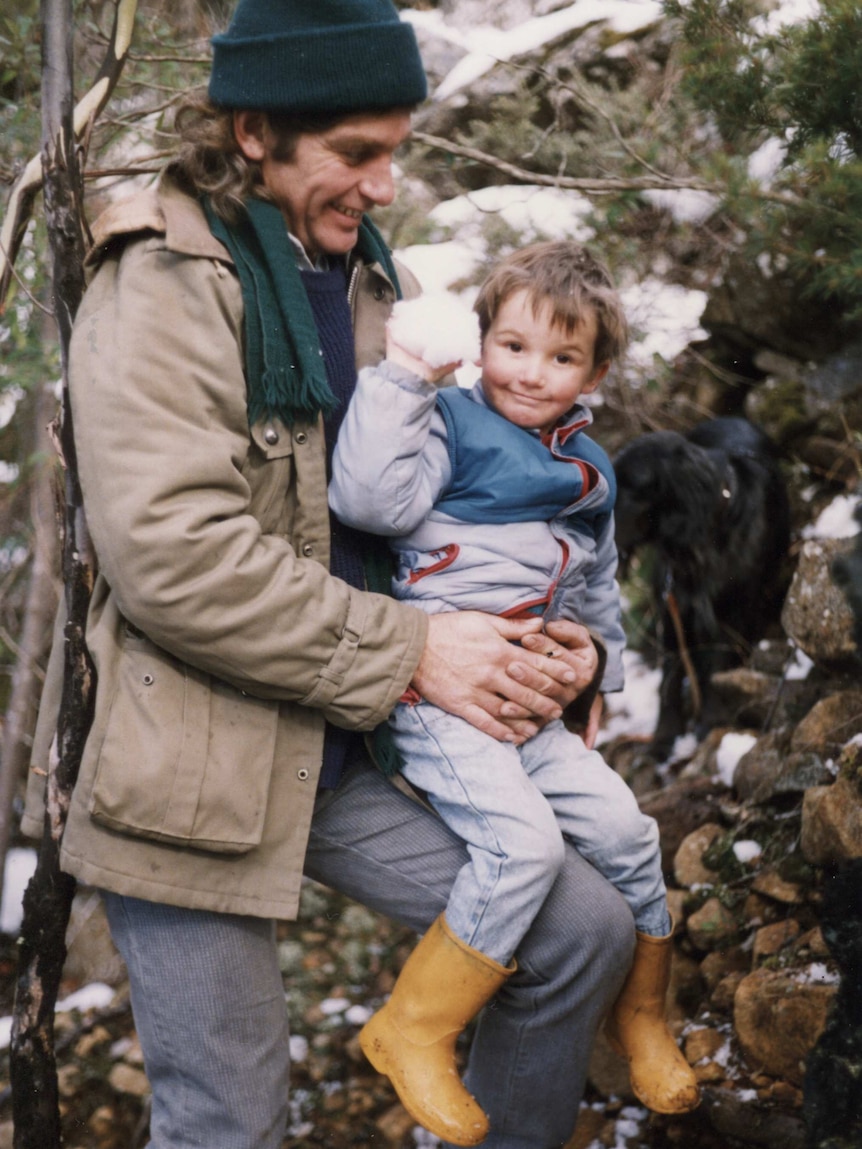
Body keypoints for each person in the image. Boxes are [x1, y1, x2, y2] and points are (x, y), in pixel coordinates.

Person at [21, 3, 637, 1148]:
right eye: (358, 153)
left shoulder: (356, 273)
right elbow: (175, 556)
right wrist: (414, 650)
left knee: (583, 932)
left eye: (396, 148)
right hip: (193, 763)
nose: (386, 183)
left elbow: (444, 503)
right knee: (229, 1120)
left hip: (349, 748)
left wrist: (567, 640)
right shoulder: (163, 282)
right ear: (253, 133)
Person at [330, 242, 701, 1139]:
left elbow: (596, 582)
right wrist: (405, 377)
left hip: (533, 706)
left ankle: (642, 1013)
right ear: (481, 341)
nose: (533, 374)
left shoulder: (590, 469)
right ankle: (414, 1027)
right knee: (524, 849)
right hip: (440, 699)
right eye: (514, 346)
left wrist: (595, 672)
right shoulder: (447, 420)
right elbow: (371, 502)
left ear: (596, 372)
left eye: (563, 357)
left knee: (628, 833)